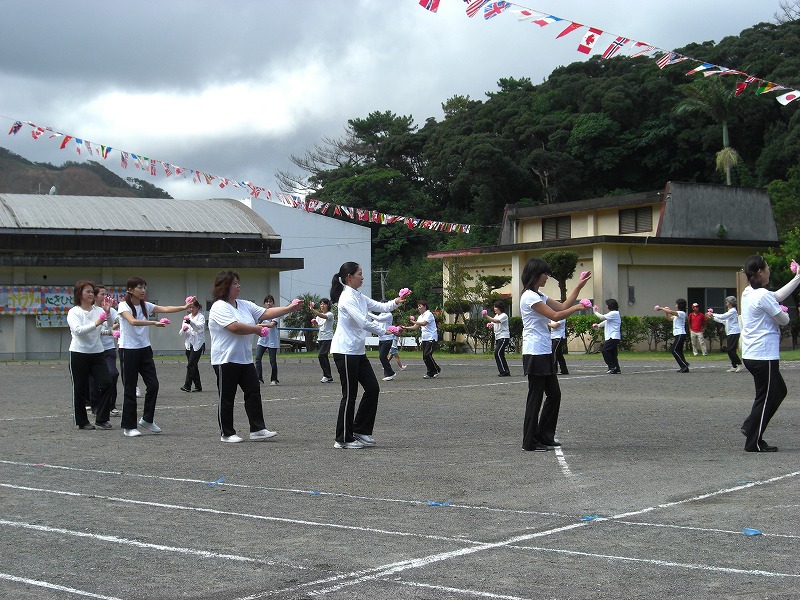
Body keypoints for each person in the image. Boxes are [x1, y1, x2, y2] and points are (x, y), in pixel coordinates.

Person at [208, 271, 303, 443]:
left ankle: (257, 429)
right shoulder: (219, 306)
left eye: (238, 282)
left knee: (253, 391)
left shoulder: (244, 305)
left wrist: (290, 308)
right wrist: (256, 329)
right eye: (234, 283)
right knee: (227, 397)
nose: (238, 286)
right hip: (225, 359)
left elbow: (266, 313)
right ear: (224, 286)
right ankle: (227, 433)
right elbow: (234, 327)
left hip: (244, 359)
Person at [330, 262, 405, 449]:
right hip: (345, 351)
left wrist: (396, 301)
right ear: (349, 277)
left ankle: (360, 430)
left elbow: (382, 307)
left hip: (356, 351)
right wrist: (386, 330)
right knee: (350, 395)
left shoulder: (359, 296)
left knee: (372, 388)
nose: (362, 277)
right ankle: (343, 439)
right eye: (359, 274)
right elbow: (363, 322)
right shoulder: (346, 298)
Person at [520, 258, 591, 452]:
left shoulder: (538, 294)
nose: (547, 277)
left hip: (543, 350)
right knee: (535, 398)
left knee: (554, 395)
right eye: (545, 274)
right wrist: (578, 308)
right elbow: (556, 316)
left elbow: (561, 306)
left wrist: (579, 286)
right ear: (536, 275)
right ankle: (529, 441)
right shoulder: (529, 297)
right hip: (535, 352)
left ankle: (544, 435)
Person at [117, 276, 194, 437]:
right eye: (139, 287)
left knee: (153, 385)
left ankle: (147, 419)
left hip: (145, 349)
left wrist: (184, 306)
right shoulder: (123, 305)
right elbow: (132, 321)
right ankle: (128, 426)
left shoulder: (146, 305)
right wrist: (153, 323)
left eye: (144, 287)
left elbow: (165, 309)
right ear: (130, 290)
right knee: (130, 389)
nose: (143, 290)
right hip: (128, 350)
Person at [739, 255, 800, 452]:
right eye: (767, 268)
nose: (769, 271)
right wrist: (785, 312)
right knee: (766, 397)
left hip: (753, 354)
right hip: (763, 355)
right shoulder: (762, 295)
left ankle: (751, 426)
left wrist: (797, 277)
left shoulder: (749, 292)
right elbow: (783, 320)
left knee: (778, 391)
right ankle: (753, 442)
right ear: (760, 272)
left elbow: (778, 296)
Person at [67, 281, 114, 430]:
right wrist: (97, 322)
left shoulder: (98, 310)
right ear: (79, 294)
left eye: (92, 292)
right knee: (80, 388)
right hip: (79, 353)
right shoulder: (74, 312)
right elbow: (78, 330)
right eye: (87, 291)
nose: (91, 294)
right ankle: (82, 421)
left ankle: (102, 418)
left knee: (107, 383)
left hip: (97, 353)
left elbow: (109, 326)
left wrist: (107, 314)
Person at [89, 285, 120, 417]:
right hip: (94, 349)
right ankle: (95, 405)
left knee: (112, 374)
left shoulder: (111, 310)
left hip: (108, 349)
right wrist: (110, 331)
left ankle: (111, 405)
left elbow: (115, 323)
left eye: (106, 294)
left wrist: (108, 313)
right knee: (93, 379)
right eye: (102, 294)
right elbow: (95, 330)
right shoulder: (91, 311)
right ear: (95, 297)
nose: (105, 297)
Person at [404, 300, 440, 379]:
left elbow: (424, 323)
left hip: (431, 337)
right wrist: (405, 327)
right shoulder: (420, 316)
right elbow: (415, 327)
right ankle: (430, 372)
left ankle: (436, 370)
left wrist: (414, 321)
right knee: (425, 356)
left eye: (420, 306)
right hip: (425, 338)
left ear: (425, 306)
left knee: (427, 355)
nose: (419, 308)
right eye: (418, 306)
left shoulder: (428, 314)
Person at [710, 296, 743, 373]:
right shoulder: (730, 312)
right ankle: (734, 365)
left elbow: (723, 316)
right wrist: (712, 317)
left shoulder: (733, 311)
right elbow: (723, 320)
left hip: (734, 332)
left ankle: (739, 364)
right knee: (730, 350)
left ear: (731, 303)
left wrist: (713, 314)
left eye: (727, 302)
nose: (726, 304)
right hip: (730, 332)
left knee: (731, 350)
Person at [179, 299, 206, 392]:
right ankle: (198, 386)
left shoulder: (201, 317)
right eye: (190, 307)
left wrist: (191, 323)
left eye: (193, 307)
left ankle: (187, 385)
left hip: (198, 343)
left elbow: (200, 328)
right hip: (189, 344)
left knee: (191, 364)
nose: (191, 309)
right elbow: (181, 331)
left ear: (198, 307)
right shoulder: (187, 317)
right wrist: (184, 329)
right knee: (194, 365)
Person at [657, 300, 690, 373]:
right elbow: (669, 319)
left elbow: (672, 312)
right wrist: (666, 312)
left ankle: (684, 365)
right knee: (679, 351)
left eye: (676, 304)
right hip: (678, 334)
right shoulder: (677, 314)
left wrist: (662, 308)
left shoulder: (681, 313)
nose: (675, 306)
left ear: (679, 305)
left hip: (680, 334)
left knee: (674, 350)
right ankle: (684, 365)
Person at [255, 295, 280, 385]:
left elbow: (271, 325)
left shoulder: (276, 313)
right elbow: (257, 321)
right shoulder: (262, 313)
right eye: (267, 302)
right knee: (257, 359)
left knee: (272, 361)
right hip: (262, 340)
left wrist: (259, 326)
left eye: (270, 301)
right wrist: (259, 322)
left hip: (272, 340)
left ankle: (274, 379)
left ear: (273, 303)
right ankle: (259, 378)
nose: (268, 303)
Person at [593, 299, 622, 374]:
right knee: (613, 353)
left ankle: (612, 367)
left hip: (613, 336)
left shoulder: (614, 313)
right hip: (613, 336)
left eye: (607, 305)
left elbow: (602, 317)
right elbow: (606, 321)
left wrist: (595, 312)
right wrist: (598, 325)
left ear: (611, 306)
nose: (606, 306)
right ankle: (616, 368)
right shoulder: (614, 314)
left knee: (605, 350)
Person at [310, 299, 335, 382]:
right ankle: (327, 376)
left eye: (324, 304)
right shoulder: (318, 316)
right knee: (324, 357)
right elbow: (317, 325)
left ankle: (327, 375)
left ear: (328, 305)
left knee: (321, 355)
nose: (322, 305)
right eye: (321, 304)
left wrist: (313, 310)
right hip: (320, 338)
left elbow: (323, 316)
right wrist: (314, 323)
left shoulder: (330, 314)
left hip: (328, 338)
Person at [486, 300, 511, 376]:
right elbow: (493, 322)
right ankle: (505, 370)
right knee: (500, 354)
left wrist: (486, 315)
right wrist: (490, 325)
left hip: (504, 337)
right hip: (498, 337)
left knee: (497, 353)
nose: (494, 308)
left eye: (495, 307)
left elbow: (496, 321)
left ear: (499, 308)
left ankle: (503, 371)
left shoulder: (504, 315)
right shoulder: (496, 315)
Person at [373, 310, 396, 381]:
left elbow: (379, 319)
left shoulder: (388, 315)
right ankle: (388, 374)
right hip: (381, 339)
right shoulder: (380, 314)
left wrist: (367, 313)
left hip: (387, 338)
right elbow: (374, 323)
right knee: (382, 357)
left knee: (382, 356)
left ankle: (390, 373)